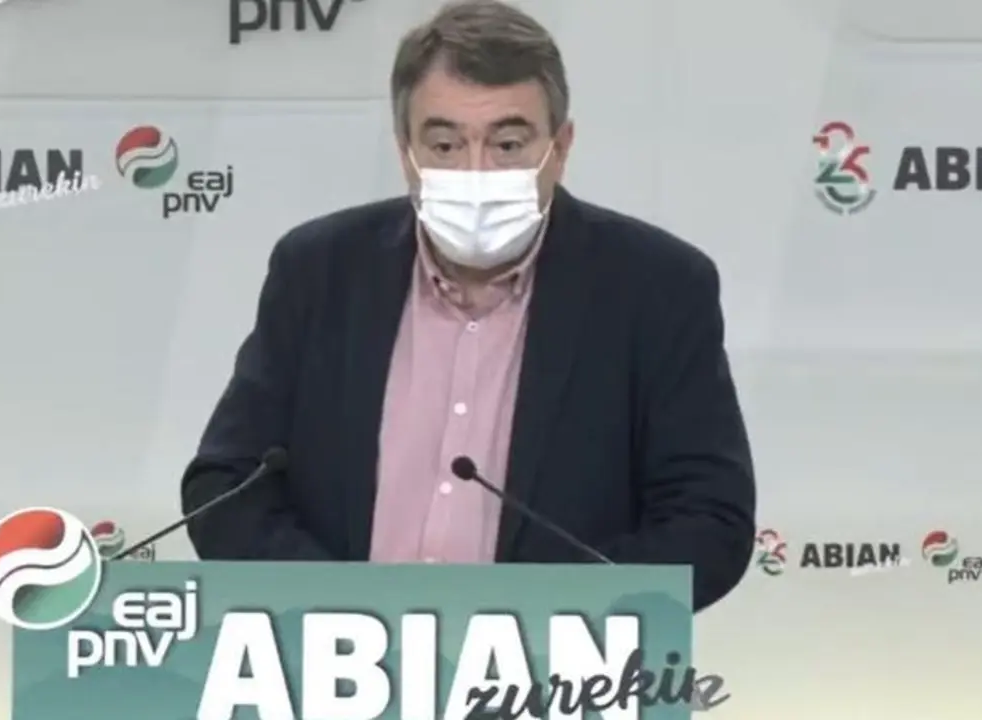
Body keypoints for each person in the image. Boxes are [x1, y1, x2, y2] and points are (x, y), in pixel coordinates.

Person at [181, 0, 756, 611]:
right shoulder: (319, 270)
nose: (476, 171)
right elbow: (227, 485)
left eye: (507, 144)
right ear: (405, 152)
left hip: (551, 661)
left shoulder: (658, 288)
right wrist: (339, 610)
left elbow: (709, 522)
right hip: (337, 654)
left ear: (560, 147)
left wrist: (543, 621)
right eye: (445, 144)